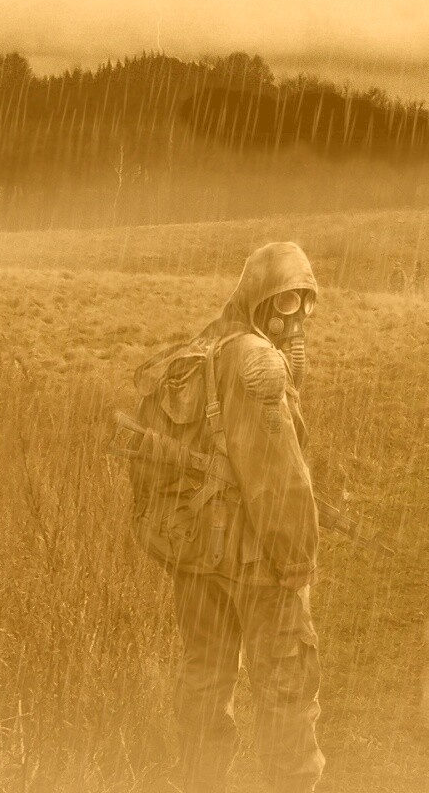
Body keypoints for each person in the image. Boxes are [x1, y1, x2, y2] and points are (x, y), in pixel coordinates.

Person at [142, 241, 325, 793]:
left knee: (204, 674)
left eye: (306, 301)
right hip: (256, 560)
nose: (297, 316)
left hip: (196, 554)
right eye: (286, 301)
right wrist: (296, 564)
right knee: (286, 684)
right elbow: (278, 478)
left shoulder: (204, 346)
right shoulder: (257, 359)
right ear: (260, 298)